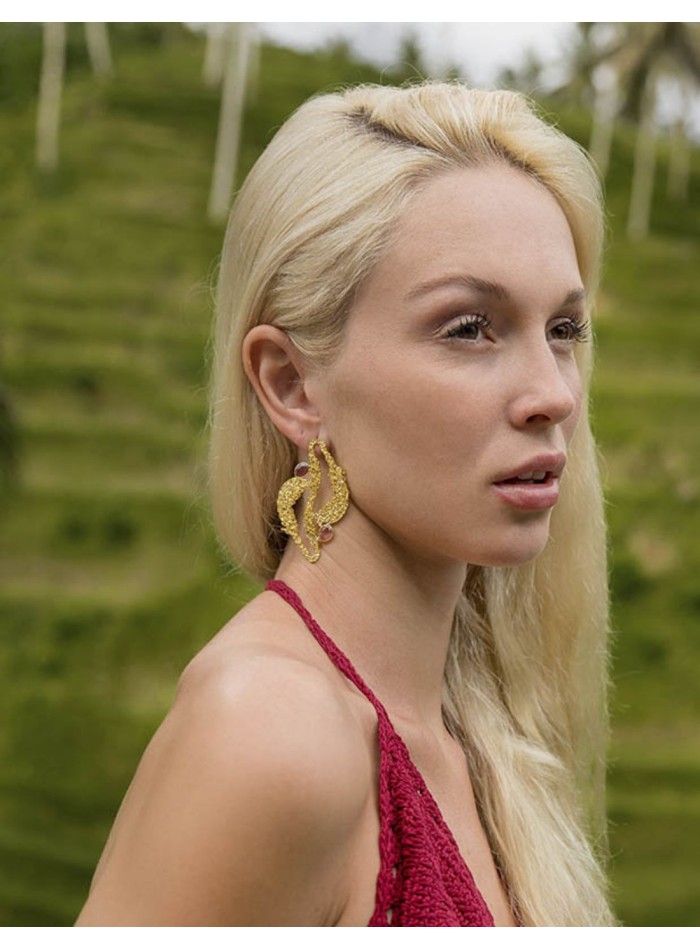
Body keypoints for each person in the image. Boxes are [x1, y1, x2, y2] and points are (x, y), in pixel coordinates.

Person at [76, 81, 615, 926]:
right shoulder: (267, 730)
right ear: (291, 385)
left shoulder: (475, 729)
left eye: (564, 330)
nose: (553, 394)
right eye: (469, 328)